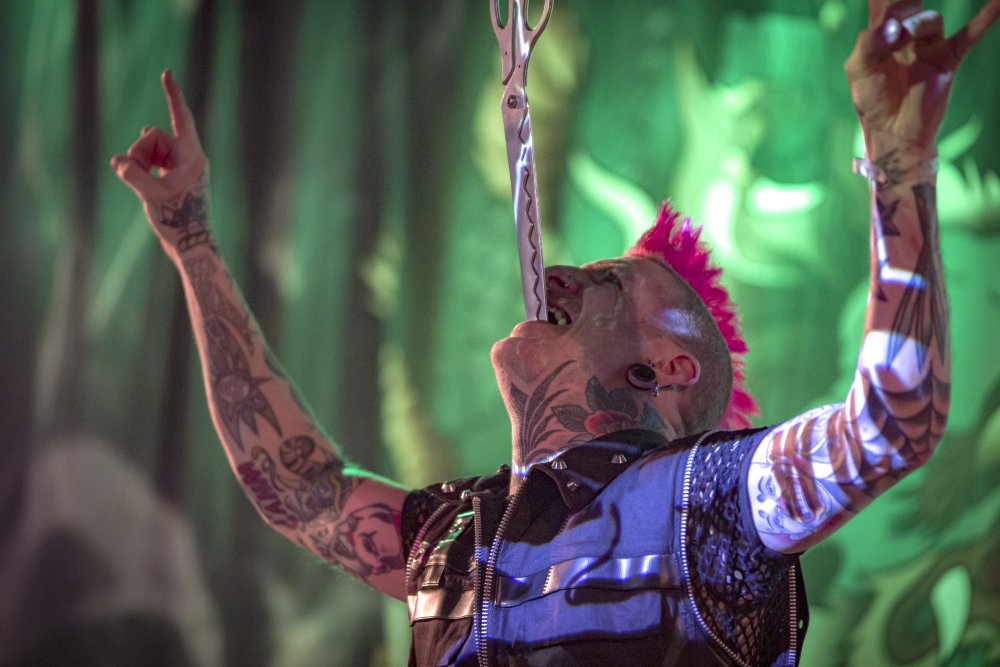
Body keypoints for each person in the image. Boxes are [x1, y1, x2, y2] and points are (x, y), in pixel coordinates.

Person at [110, 1, 999, 664]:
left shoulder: (717, 501)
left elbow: (891, 424)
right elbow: (297, 486)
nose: (561, 274)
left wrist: (899, 164)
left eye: (606, 281)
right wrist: (191, 240)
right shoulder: (452, 537)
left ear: (666, 367)